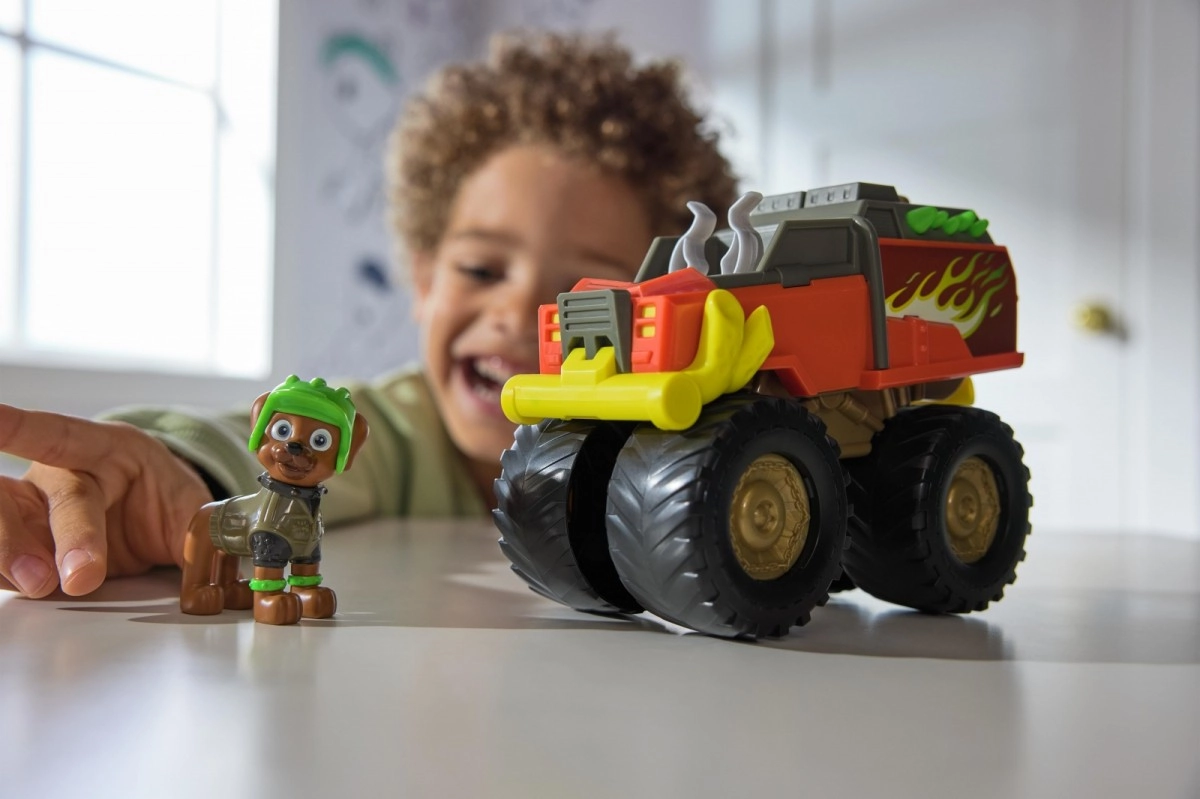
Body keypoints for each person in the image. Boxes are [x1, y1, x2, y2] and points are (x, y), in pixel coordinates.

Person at [0, 31, 738, 599]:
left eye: (582, 294)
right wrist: (174, 466)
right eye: (481, 270)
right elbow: (273, 447)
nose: (519, 313)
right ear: (422, 278)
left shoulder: (674, 450)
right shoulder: (388, 435)